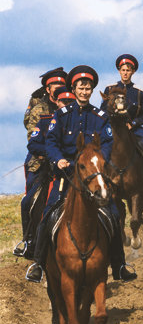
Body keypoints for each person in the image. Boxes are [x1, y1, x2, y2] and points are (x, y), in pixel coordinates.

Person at [26, 66, 136, 284]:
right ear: (74, 89)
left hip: (93, 178)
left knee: (113, 215)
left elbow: (107, 143)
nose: (85, 92)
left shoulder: (100, 117)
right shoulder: (61, 115)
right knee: (48, 215)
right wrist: (58, 159)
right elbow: (51, 142)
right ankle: (38, 263)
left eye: (88, 88)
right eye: (81, 88)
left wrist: (95, 161)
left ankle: (119, 264)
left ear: (92, 91)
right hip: (66, 178)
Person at [15, 87, 73, 259]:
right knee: (28, 203)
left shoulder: (81, 122)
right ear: (57, 102)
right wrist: (53, 153)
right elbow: (33, 144)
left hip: (73, 174)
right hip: (49, 172)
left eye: (70, 103)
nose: (66, 106)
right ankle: (30, 242)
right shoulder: (45, 122)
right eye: (64, 102)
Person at [100, 54, 143, 196]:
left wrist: (133, 123)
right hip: (113, 129)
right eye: (123, 70)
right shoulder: (109, 89)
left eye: (128, 70)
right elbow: (102, 111)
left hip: (133, 129)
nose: (125, 73)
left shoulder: (139, 92)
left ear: (133, 72)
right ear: (119, 71)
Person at [24, 68, 68, 134]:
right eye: (56, 89)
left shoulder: (71, 104)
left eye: (61, 88)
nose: (59, 92)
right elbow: (29, 126)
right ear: (48, 89)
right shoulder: (38, 104)